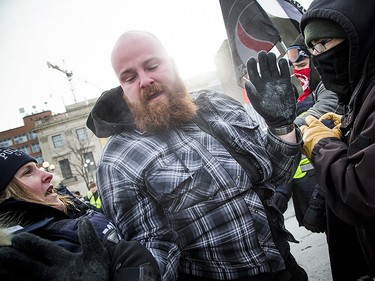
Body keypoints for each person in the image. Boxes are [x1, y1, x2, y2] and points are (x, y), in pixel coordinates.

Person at [87, 30, 306, 280]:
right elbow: (153, 245)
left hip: (286, 265)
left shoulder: (220, 105)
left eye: (152, 65)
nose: (144, 80)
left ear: (174, 64)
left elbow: (277, 173)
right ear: (123, 89)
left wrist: (280, 125)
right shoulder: (118, 160)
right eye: (129, 77)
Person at [298, 0, 375, 280]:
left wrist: (321, 145)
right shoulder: (360, 87)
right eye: (313, 47)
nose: (319, 54)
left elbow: (366, 196)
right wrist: (348, 128)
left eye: (324, 42)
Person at [0, 147, 160, 281]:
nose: (47, 175)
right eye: (28, 172)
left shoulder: (74, 209)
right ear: (5, 196)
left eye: (37, 167)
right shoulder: (22, 257)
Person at [273, 34, 343, 233]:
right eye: (294, 67)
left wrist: (284, 129)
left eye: (302, 64)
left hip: (331, 188)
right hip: (309, 190)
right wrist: (282, 190)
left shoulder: (330, 87)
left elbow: (326, 106)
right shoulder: (302, 96)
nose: (298, 71)